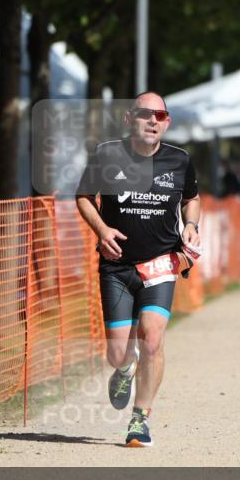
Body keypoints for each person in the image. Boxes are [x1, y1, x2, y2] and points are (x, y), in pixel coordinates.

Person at [76, 92, 201, 447]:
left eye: (159, 115)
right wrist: (101, 231)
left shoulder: (180, 160)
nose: (152, 120)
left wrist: (191, 225)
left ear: (167, 123)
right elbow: (83, 196)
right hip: (116, 267)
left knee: (153, 337)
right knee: (118, 352)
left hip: (160, 263)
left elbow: (192, 198)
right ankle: (125, 367)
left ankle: (139, 419)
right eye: (145, 114)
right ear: (130, 119)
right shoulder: (106, 155)